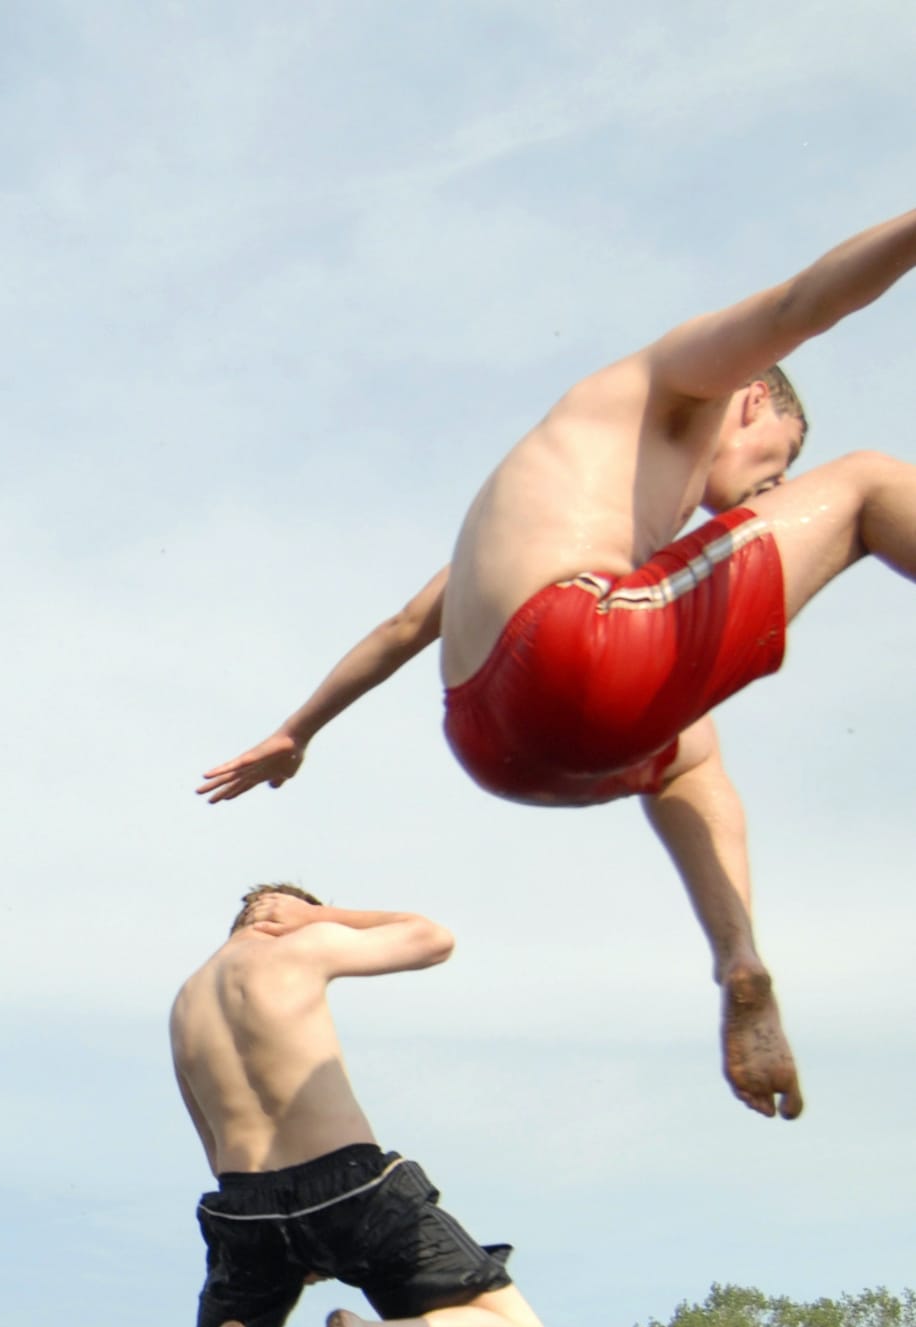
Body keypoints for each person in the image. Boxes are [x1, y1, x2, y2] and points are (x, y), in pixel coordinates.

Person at [201, 206, 916, 1121]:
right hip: (576, 644)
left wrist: (297, 731)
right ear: (751, 402)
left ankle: (740, 963)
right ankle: (735, 954)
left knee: (689, 748)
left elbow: (402, 626)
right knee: (867, 481)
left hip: (494, 740)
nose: (772, 491)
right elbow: (803, 304)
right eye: (777, 460)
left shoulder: (541, 496)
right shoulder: (679, 380)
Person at [176, 884, 547, 1327]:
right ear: (287, 914)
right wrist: (318, 916)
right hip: (350, 1185)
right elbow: (433, 939)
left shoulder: (185, 1003)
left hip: (245, 1206)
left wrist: (294, 1242)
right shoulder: (301, 944)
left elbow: (211, 1145)